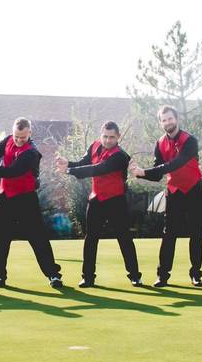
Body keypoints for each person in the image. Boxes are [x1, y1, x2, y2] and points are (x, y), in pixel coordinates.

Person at [0, 117, 63, 289]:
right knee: (0, 238)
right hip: (6, 197)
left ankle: (53, 274)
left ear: (30, 133)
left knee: (38, 238)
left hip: (26, 199)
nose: (19, 140)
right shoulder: (8, 140)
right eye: (16, 136)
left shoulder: (31, 153)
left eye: (23, 137)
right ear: (13, 132)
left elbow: (10, 172)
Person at [55, 121, 141, 287]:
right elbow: (84, 163)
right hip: (96, 199)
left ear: (118, 137)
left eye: (112, 137)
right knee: (91, 238)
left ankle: (135, 275)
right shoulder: (94, 145)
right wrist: (69, 164)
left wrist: (68, 171)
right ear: (100, 134)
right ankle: (87, 277)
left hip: (116, 201)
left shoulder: (120, 156)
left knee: (124, 238)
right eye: (105, 136)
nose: (108, 140)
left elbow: (97, 169)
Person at [130, 105, 202, 287]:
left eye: (170, 119)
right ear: (160, 123)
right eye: (163, 120)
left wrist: (144, 171)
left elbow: (175, 164)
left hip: (194, 189)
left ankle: (196, 274)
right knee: (169, 234)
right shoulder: (160, 143)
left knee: (195, 232)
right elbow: (157, 174)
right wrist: (140, 173)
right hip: (174, 192)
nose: (167, 122)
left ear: (176, 119)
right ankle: (162, 275)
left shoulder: (190, 141)